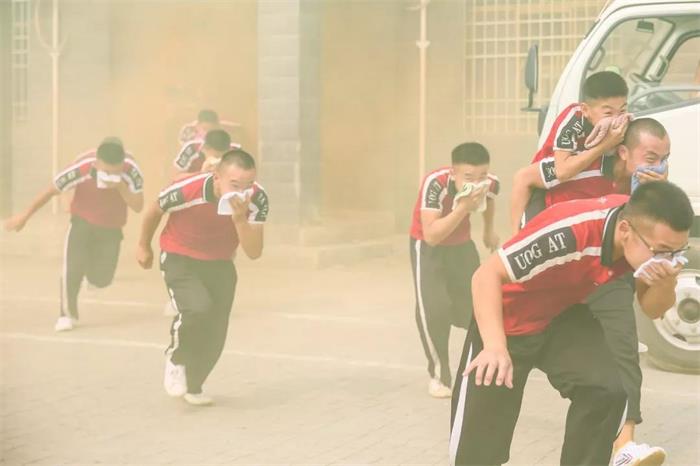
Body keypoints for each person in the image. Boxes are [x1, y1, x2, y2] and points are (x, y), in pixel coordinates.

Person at [449, 181, 692, 466]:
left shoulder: (641, 242)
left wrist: (666, 282)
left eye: (677, 252)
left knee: (609, 386)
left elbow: (653, 309)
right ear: (625, 230)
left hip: (560, 315)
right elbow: (485, 275)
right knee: (477, 453)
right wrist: (494, 346)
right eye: (661, 251)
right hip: (508, 321)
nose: (667, 260)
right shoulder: (569, 232)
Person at [512, 118, 672, 465]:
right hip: (561, 274)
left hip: (608, 274)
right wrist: (516, 242)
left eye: (665, 158)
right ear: (623, 152)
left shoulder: (648, 190)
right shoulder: (582, 166)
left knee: (624, 345)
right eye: (651, 157)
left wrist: (653, 195)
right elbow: (524, 179)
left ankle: (624, 444)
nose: (659, 165)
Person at [137, 149, 269, 406]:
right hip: (179, 256)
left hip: (220, 262)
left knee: (216, 330)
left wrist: (239, 219)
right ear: (217, 177)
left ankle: (194, 384)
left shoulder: (257, 198)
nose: (242, 192)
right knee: (197, 308)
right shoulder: (187, 189)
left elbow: (254, 252)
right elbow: (154, 211)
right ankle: (176, 359)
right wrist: (143, 245)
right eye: (234, 185)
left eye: (248, 185)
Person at [4, 138, 144, 331]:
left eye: (115, 172)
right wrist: (25, 216)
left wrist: (120, 187)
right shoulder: (82, 168)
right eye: (106, 171)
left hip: (112, 227)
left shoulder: (132, 171)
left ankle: (91, 275)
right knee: (72, 268)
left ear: (122, 165)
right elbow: (50, 191)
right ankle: (66, 315)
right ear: (97, 163)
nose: (110, 175)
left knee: (102, 279)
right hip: (82, 221)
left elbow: (138, 206)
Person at [409, 142, 500, 398]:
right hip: (428, 248)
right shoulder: (435, 185)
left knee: (479, 306)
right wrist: (463, 208)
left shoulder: (489, 183)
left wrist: (488, 230)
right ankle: (439, 376)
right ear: (453, 174)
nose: (476, 183)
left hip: (461, 246)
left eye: (482, 175)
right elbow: (432, 235)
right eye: (468, 177)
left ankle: (484, 367)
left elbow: (490, 197)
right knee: (434, 309)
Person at [510, 71, 630, 230]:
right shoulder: (574, 119)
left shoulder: (623, 124)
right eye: (608, 113)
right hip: (548, 181)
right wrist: (605, 145)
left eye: (622, 110)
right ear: (585, 110)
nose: (616, 119)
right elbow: (562, 171)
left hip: (586, 181)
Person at [173, 129, 241, 174]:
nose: (218, 159)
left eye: (223, 156)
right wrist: (202, 174)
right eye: (216, 156)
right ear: (204, 148)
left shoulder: (237, 152)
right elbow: (176, 178)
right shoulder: (191, 148)